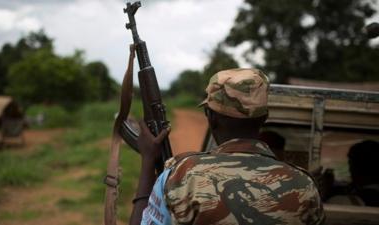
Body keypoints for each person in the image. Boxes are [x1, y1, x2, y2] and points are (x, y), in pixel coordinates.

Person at [130, 68, 325, 225]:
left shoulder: (180, 176)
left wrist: (148, 161)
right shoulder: (304, 186)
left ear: (211, 117)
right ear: (264, 118)